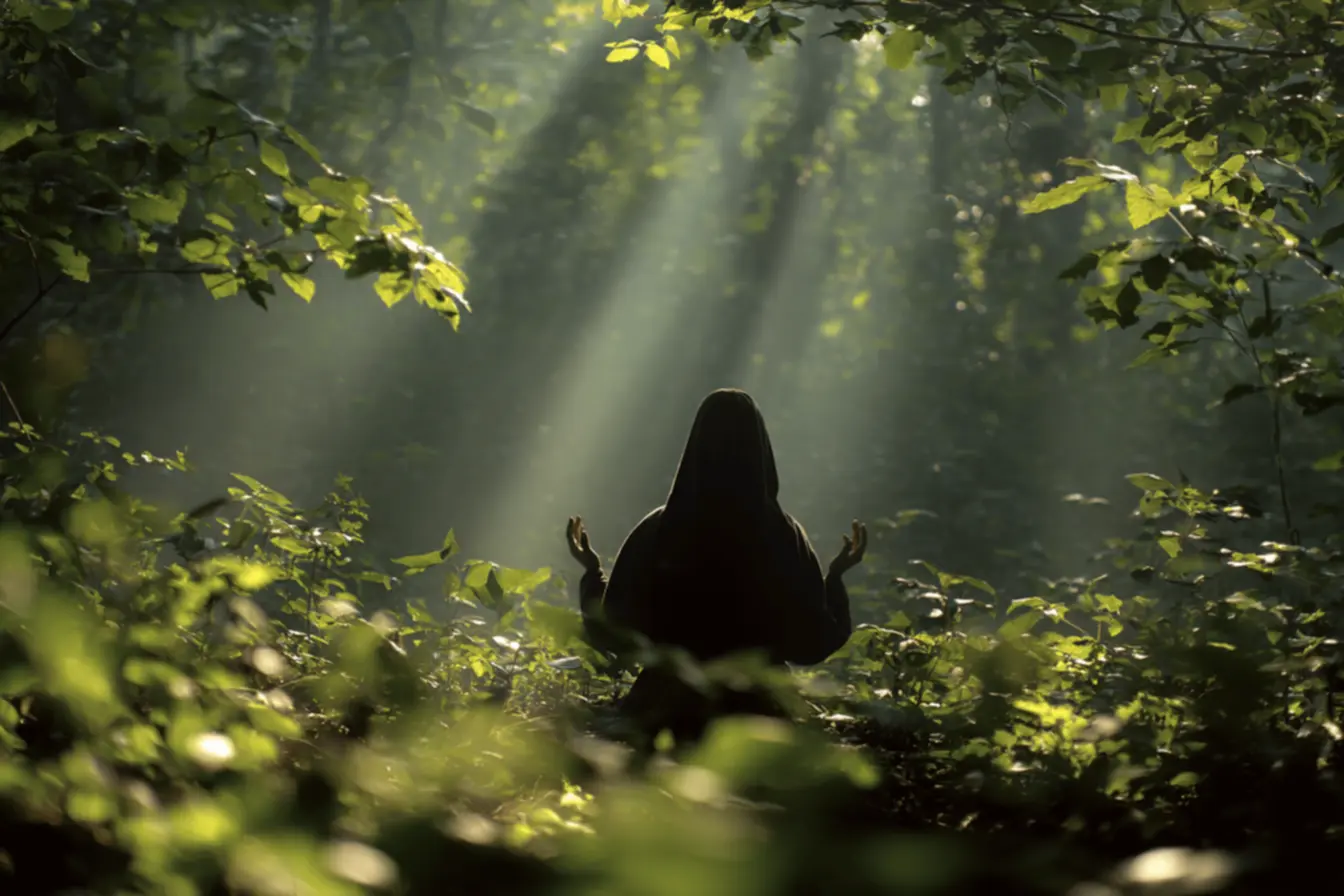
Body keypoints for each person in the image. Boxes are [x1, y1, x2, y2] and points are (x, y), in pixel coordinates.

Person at [565, 388, 866, 737]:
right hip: (759, 718)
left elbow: (615, 631)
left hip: (664, 710)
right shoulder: (783, 536)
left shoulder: (658, 530)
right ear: (760, 450)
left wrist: (591, 571)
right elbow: (812, 640)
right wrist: (836, 577)